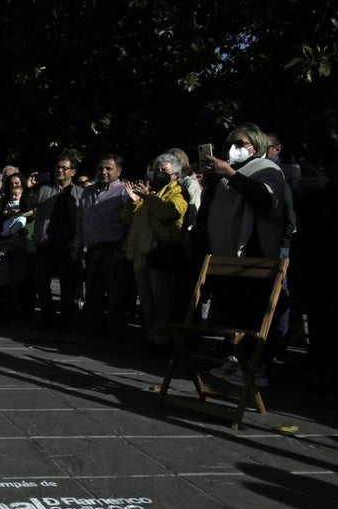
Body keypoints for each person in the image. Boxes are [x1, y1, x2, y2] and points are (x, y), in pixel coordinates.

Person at [195, 124, 288, 388]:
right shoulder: (226, 174)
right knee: (235, 316)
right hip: (225, 256)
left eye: (241, 143)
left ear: (256, 146)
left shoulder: (266, 169)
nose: (233, 149)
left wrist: (231, 174)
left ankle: (257, 367)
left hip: (253, 253)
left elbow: (266, 199)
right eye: (230, 144)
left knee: (252, 315)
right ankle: (237, 359)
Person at [122, 153, 188, 349]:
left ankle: (164, 339)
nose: (158, 173)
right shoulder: (148, 192)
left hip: (161, 253)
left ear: (175, 175)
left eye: (164, 171)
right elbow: (127, 218)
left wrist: (148, 198)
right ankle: (152, 335)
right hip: (141, 254)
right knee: (146, 301)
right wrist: (133, 201)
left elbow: (171, 213)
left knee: (162, 301)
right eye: (156, 170)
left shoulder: (178, 193)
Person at [75, 154, 132, 336]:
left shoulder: (123, 192)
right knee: (93, 293)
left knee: (116, 294)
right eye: (101, 168)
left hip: (113, 249)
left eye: (108, 168)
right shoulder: (88, 193)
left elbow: (130, 224)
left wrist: (123, 250)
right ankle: (95, 330)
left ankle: (115, 332)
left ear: (118, 171)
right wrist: (78, 246)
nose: (104, 172)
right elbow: (81, 222)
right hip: (92, 250)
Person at [29, 153, 84, 331]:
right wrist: (30, 189)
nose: (60, 170)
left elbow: (81, 220)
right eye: (57, 167)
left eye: (64, 168)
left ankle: (65, 320)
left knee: (67, 285)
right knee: (41, 281)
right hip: (46, 241)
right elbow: (29, 207)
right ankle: (47, 316)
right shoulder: (44, 189)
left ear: (72, 172)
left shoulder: (80, 193)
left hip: (67, 243)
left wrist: (77, 243)